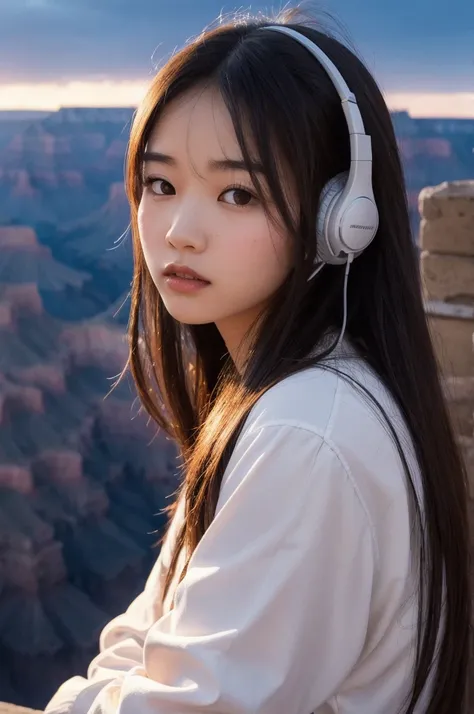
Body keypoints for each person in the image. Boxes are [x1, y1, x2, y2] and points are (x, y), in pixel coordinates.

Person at [45, 6, 470, 714]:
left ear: (343, 218)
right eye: (160, 184)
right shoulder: (275, 397)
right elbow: (140, 640)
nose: (180, 231)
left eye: (236, 193)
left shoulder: (308, 433)